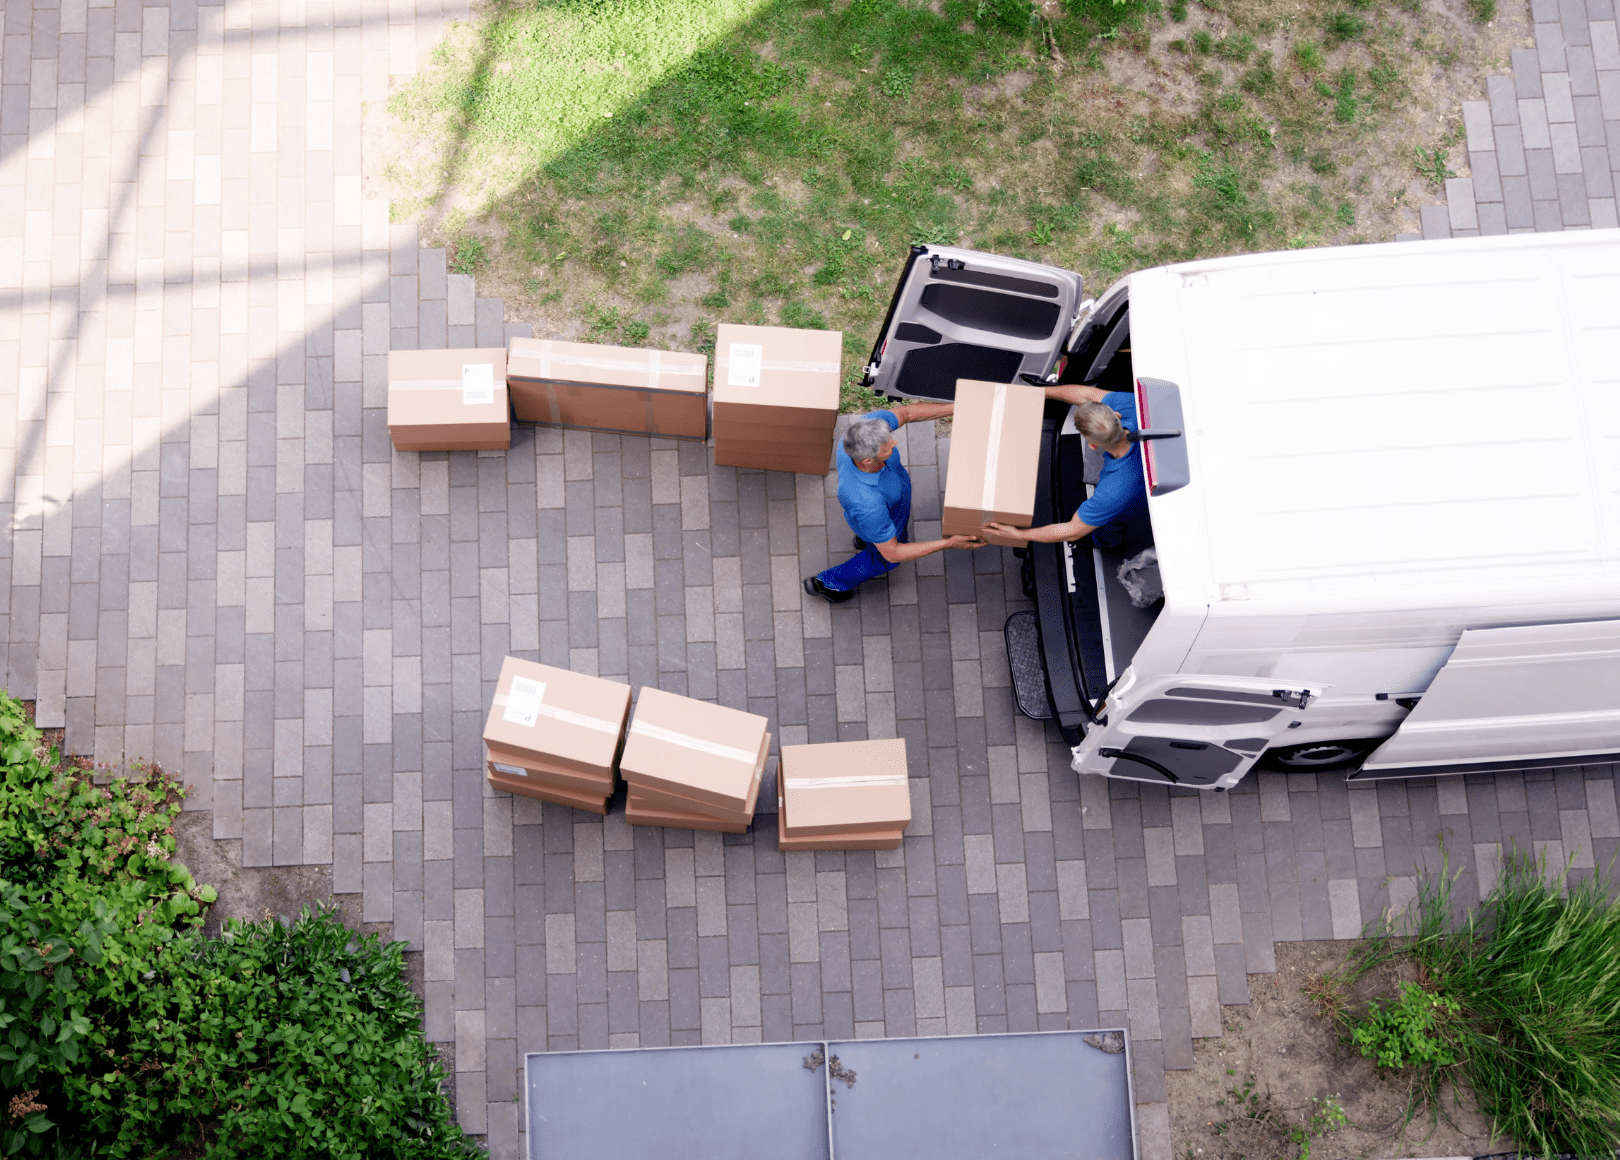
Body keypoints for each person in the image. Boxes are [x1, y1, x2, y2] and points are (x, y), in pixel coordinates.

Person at [803, 403, 985, 605]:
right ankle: (830, 582)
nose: (894, 442)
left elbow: (906, 413)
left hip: (882, 514)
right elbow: (893, 553)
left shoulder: (864, 430)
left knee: (875, 537)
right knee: (883, 559)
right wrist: (950, 543)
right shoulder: (867, 503)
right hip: (879, 519)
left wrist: (959, 407)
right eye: (887, 446)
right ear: (867, 461)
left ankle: (868, 540)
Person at [983, 384, 1148, 551]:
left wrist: (1020, 535)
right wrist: (1040, 392)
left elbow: (1073, 531)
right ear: (1117, 415)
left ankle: (1108, 542)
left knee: (1109, 521)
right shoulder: (1132, 405)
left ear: (1092, 445)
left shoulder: (1113, 492)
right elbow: (1088, 395)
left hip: (1142, 503)